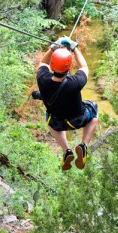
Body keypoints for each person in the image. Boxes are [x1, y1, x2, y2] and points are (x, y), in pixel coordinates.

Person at [34, 36, 98, 170]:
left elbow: (42, 64)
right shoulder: (75, 82)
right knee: (94, 111)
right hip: (79, 120)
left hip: (57, 123)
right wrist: (74, 48)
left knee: (49, 119)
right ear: (69, 66)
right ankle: (83, 145)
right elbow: (84, 66)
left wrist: (53, 47)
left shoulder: (42, 79)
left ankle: (66, 150)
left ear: (52, 65)